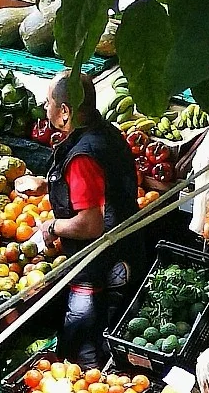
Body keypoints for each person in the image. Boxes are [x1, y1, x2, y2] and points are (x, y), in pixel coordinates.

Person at [39, 68, 141, 350]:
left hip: (98, 265)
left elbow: (89, 224)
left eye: (48, 103)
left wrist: (52, 227)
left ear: (64, 112)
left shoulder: (83, 157)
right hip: (126, 248)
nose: (45, 108)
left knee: (84, 345)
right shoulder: (107, 133)